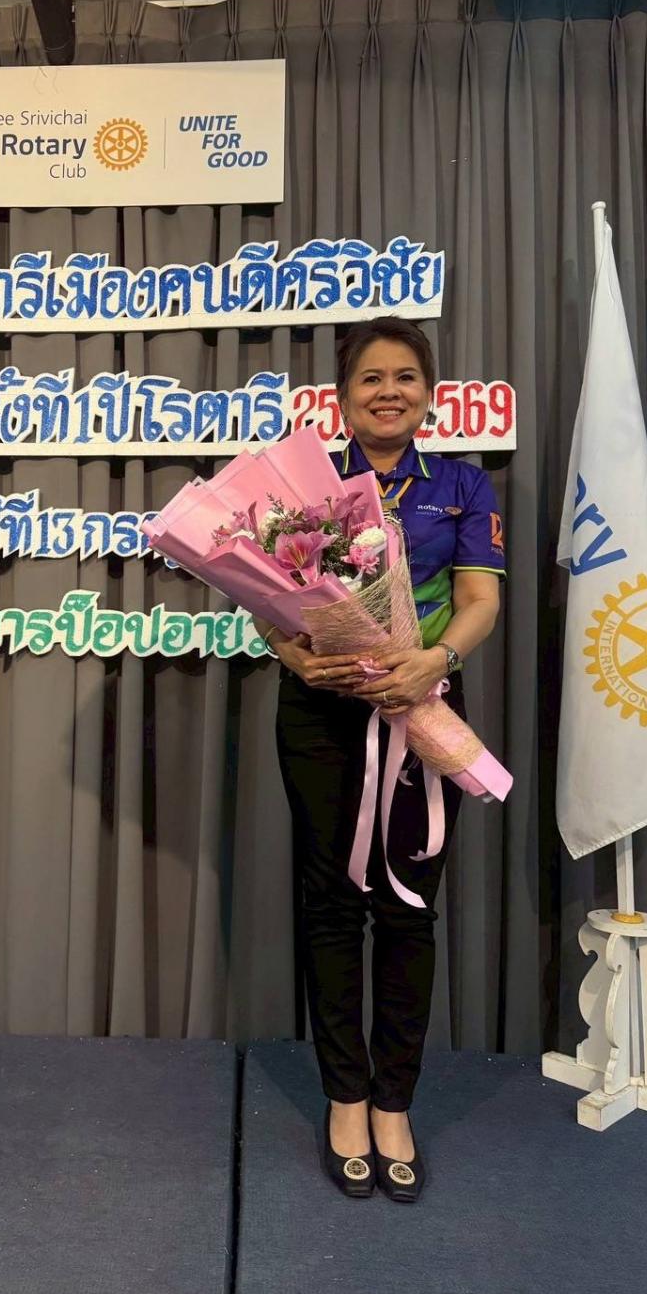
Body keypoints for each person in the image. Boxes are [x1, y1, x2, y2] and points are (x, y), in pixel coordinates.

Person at [255, 316, 504, 1201]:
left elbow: (478, 599)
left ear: (429, 395)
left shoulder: (464, 485)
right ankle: (345, 1097)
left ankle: (394, 1102)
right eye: (370, 378)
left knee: (408, 908)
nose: (388, 391)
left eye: (405, 377)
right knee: (331, 905)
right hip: (322, 712)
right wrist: (296, 660)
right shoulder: (307, 486)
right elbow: (267, 601)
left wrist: (438, 659)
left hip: (423, 706)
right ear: (342, 396)